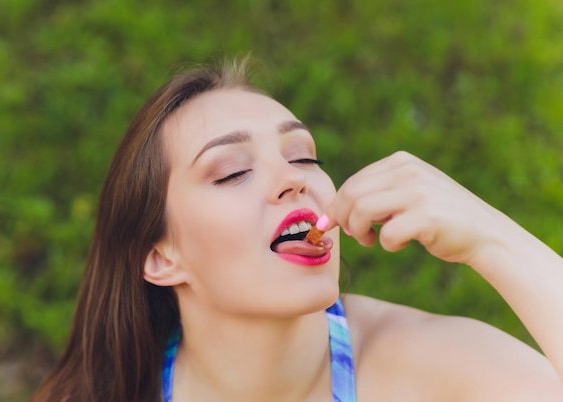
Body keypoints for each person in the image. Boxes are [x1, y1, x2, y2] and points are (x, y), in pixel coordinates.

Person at [30, 57, 563, 402]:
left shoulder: (435, 367)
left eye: (305, 158)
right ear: (161, 256)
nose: (292, 181)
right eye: (232, 171)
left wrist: (493, 238)